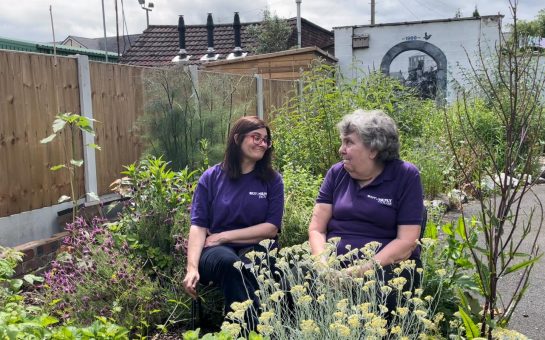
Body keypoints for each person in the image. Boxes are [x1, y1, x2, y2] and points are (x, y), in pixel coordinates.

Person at [308, 109, 424, 312]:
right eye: (342, 142)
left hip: (385, 268)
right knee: (291, 280)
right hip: (333, 266)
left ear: (373, 149)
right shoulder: (336, 174)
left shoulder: (405, 175)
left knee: (379, 296)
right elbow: (317, 228)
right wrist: (323, 265)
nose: (341, 150)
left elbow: (407, 241)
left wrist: (360, 271)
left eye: (349, 143)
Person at [183, 116, 284, 330]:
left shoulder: (272, 180)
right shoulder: (211, 178)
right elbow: (198, 225)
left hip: (256, 246)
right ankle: (256, 331)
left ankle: (244, 330)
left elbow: (271, 228)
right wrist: (192, 268)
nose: (262, 143)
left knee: (255, 265)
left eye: (266, 140)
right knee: (231, 264)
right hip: (216, 253)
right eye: (256, 137)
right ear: (237, 139)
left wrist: (224, 236)